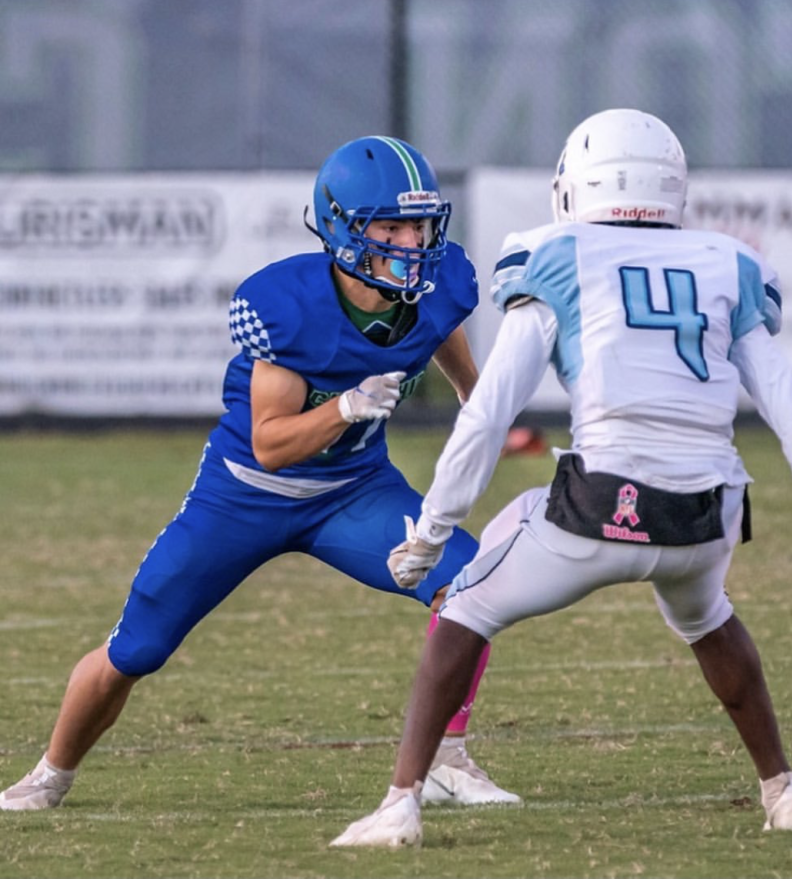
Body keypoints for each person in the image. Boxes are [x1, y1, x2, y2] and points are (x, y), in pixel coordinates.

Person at [330, 109, 792, 848]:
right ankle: (785, 789)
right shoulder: (727, 262)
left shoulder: (555, 254)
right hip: (708, 514)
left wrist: (433, 529)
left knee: (463, 605)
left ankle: (401, 800)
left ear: (577, 186)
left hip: (600, 510)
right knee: (707, 614)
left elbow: (492, 410)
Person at [0, 136, 520, 811]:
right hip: (246, 496)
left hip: (355, 490)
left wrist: (472, 392)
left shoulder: (440, 277)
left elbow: (437, 321)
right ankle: (50, 773)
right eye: (390, 225)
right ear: (344, 227)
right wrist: (345, 407)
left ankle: (447, 755)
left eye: (419, 224)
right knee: (137, 648)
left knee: (470, 583)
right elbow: (272, 444)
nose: (411, 241)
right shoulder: (288, 304)